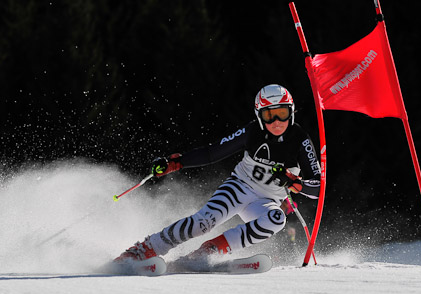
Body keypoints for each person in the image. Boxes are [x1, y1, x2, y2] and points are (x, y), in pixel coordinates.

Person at [115, 84, 321, 262]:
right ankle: (145, 249)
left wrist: (296, 183)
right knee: (202, 223)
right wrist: (176, 163)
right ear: (259, 116)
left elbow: (318, 188)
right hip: (239, 188)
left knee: (277, 219)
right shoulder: (252, 132)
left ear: (291, 112)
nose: (276, 121)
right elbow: (213, 152)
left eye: (282, 113)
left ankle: (210, 251)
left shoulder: (300, 140)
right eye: (269, 115)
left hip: (266, 201)